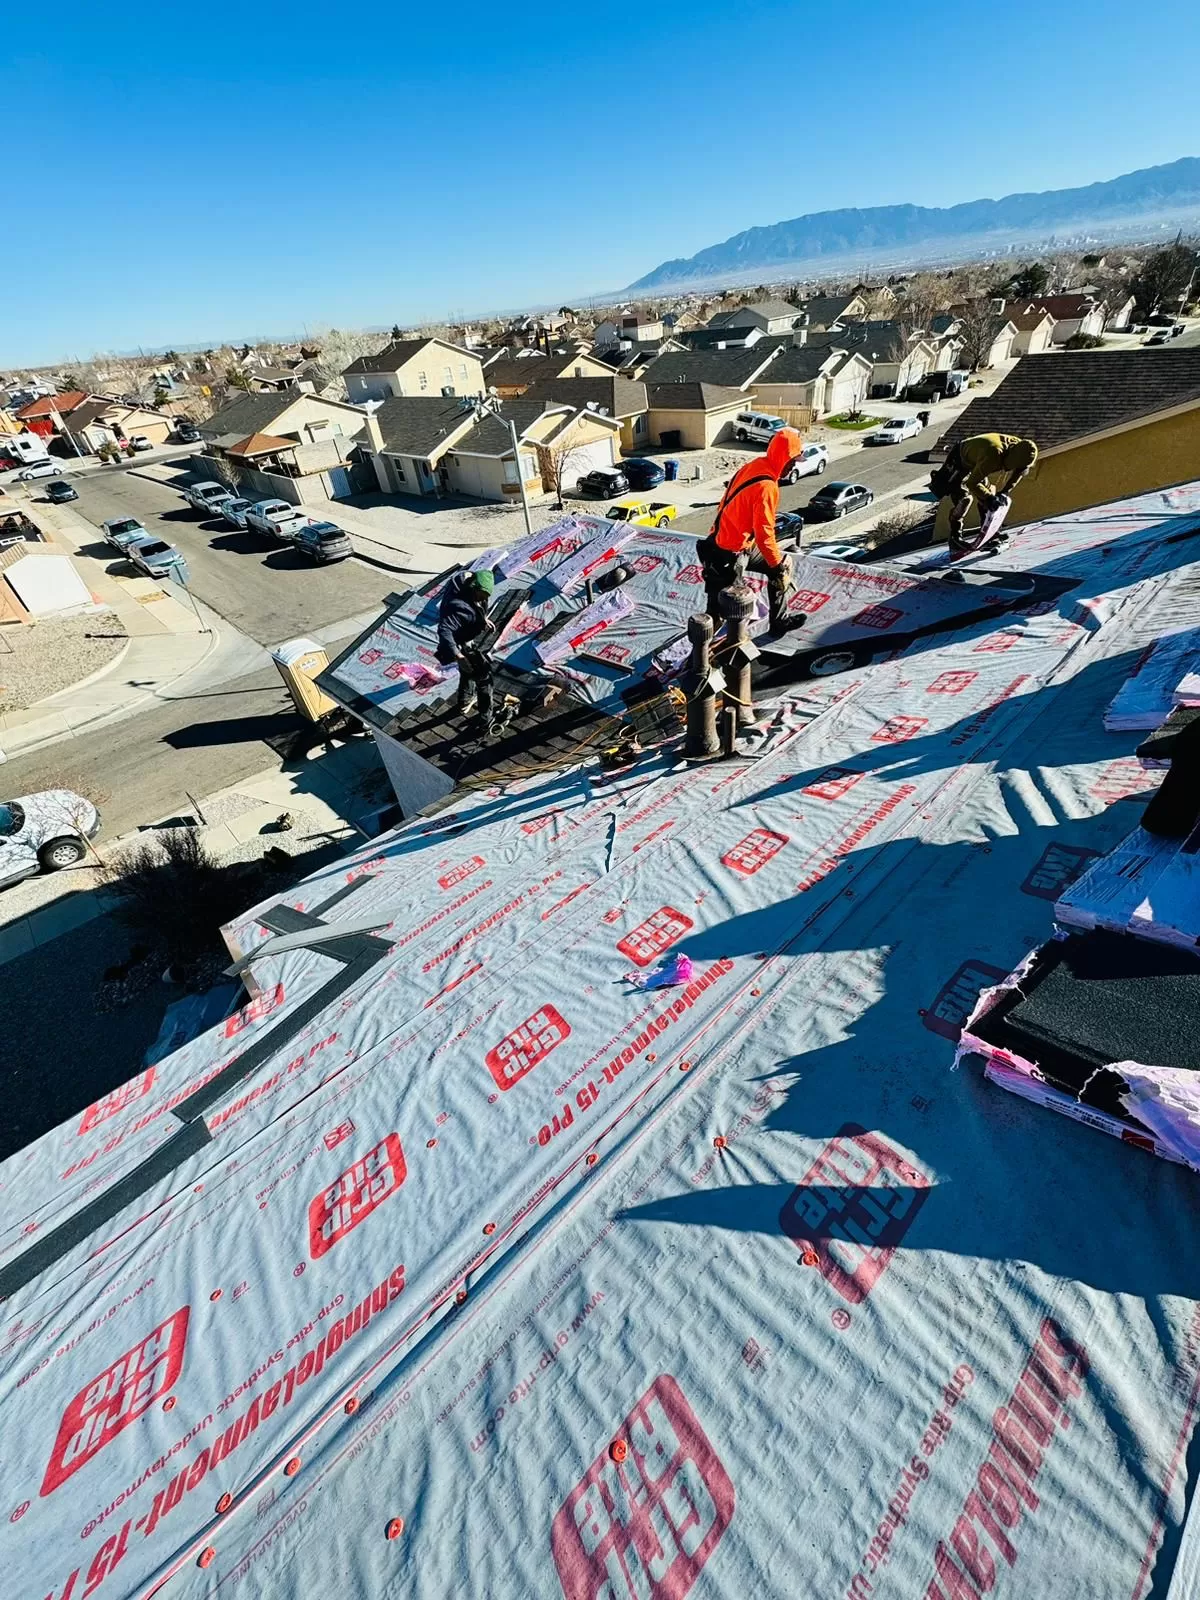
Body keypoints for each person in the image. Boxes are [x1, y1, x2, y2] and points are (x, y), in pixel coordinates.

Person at [696, 426, 804, 633]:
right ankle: (705, 653)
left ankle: (779, 621)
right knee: (727, 610)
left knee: (780, 566)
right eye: (792, 461)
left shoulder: (756, 466)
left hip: (737, 544)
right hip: (727, 553)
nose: (793, 467)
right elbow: (765, 534)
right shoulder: (767, 486)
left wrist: (778, 567)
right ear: (783, 457)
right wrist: (778, 568)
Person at [933, 433, 1038, 550]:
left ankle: (988, 532)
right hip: (959, 459)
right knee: (964, 500)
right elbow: (972, 483)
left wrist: (1005, 492)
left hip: (978, 459)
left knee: (989, 493)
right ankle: (955, 539)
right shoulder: (994, 455)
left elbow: (1019, 471)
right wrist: (990, 499)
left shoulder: (1023, 449)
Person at [436, 567, 496, 724]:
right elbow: (445, 630)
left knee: (467, 671)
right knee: (484, 677)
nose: (483, 599)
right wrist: (459, 655)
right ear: (473, 588)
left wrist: (482, 618)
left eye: (486, 597)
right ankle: (485, 718)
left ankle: (464, 700)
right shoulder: (458, 607)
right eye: (481, 595)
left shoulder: (469, 583)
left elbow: (477, 605)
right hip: (460, 641)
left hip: (467, 634)